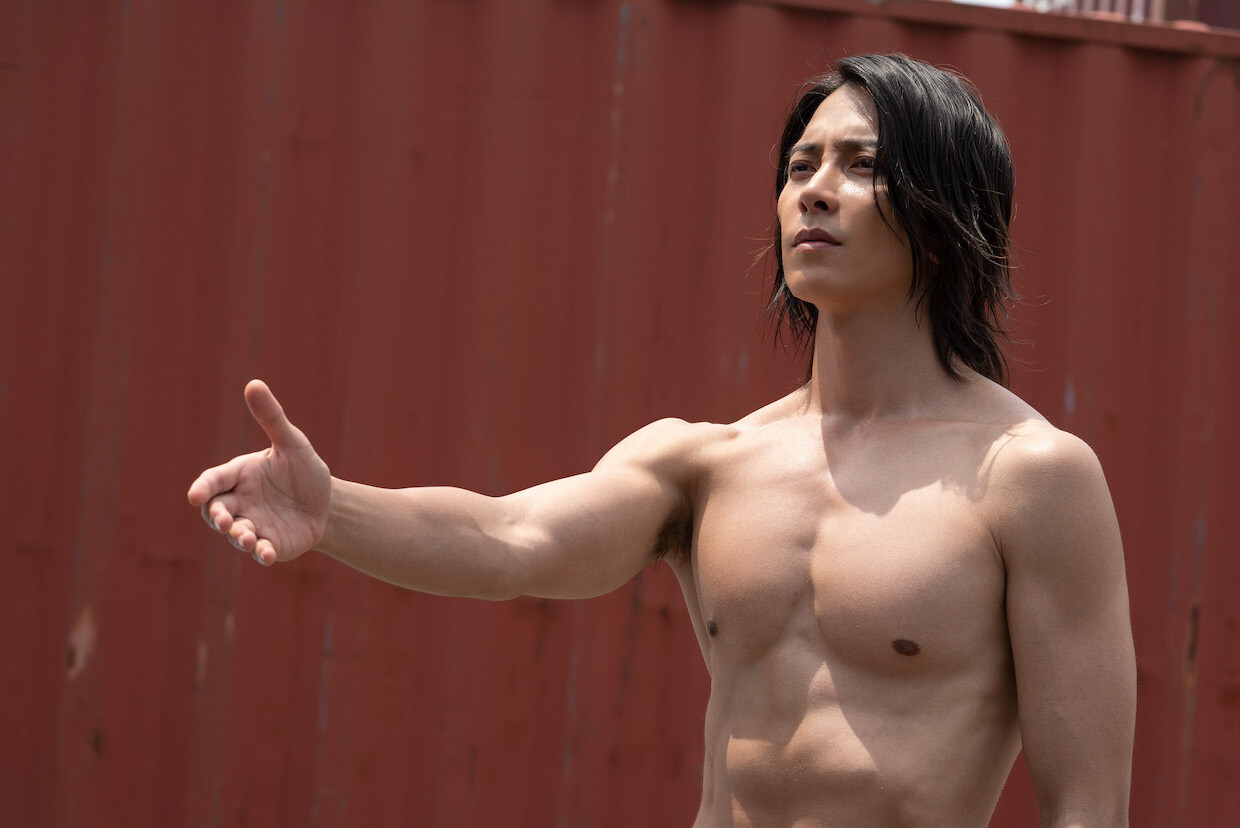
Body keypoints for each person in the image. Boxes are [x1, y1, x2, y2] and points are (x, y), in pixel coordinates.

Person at [188, 53, 1136, 827]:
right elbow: (511, 537)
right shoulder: (706, 463)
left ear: (944, 217)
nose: (814, 191)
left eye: (861, 164)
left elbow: (1088, 809)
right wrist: (334, 509)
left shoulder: (1029, 476)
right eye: (799, 167)